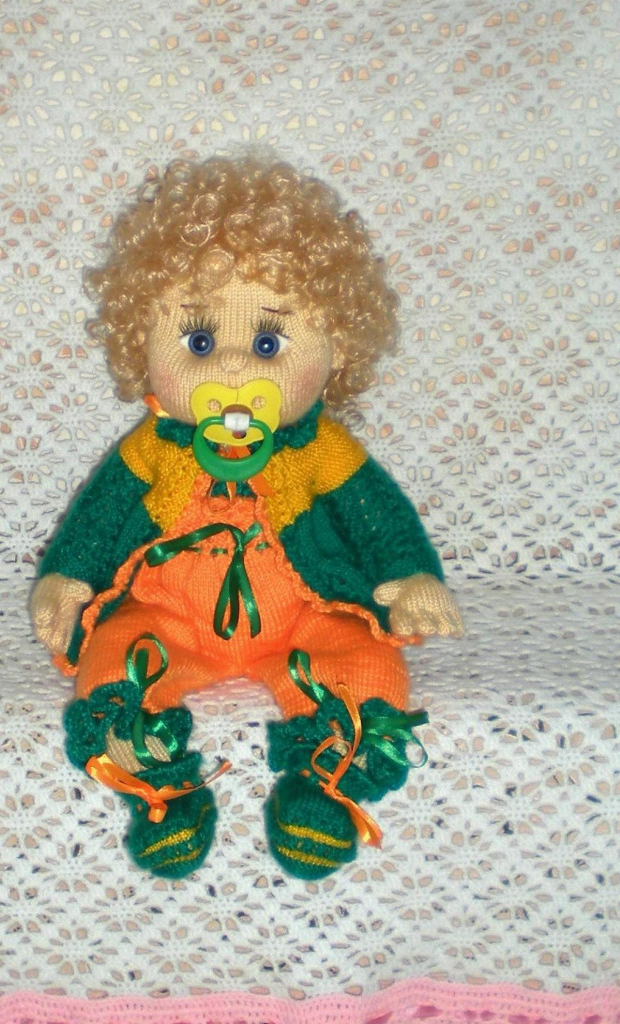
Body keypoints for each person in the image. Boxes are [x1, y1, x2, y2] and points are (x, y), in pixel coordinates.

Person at [31, 157, 462, 879]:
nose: (232, 367)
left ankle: (325, 786)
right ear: (143, 343)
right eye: (199, 343)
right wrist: (67, 578)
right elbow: (98, 518)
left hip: (303, 613)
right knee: (115, 663)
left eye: (267, 344)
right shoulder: (151, 449)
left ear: (337, 349)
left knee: (364, 667)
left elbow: (377, 516)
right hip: (169, 613)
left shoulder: (323, 451)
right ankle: (159, 790)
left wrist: (408, 574)